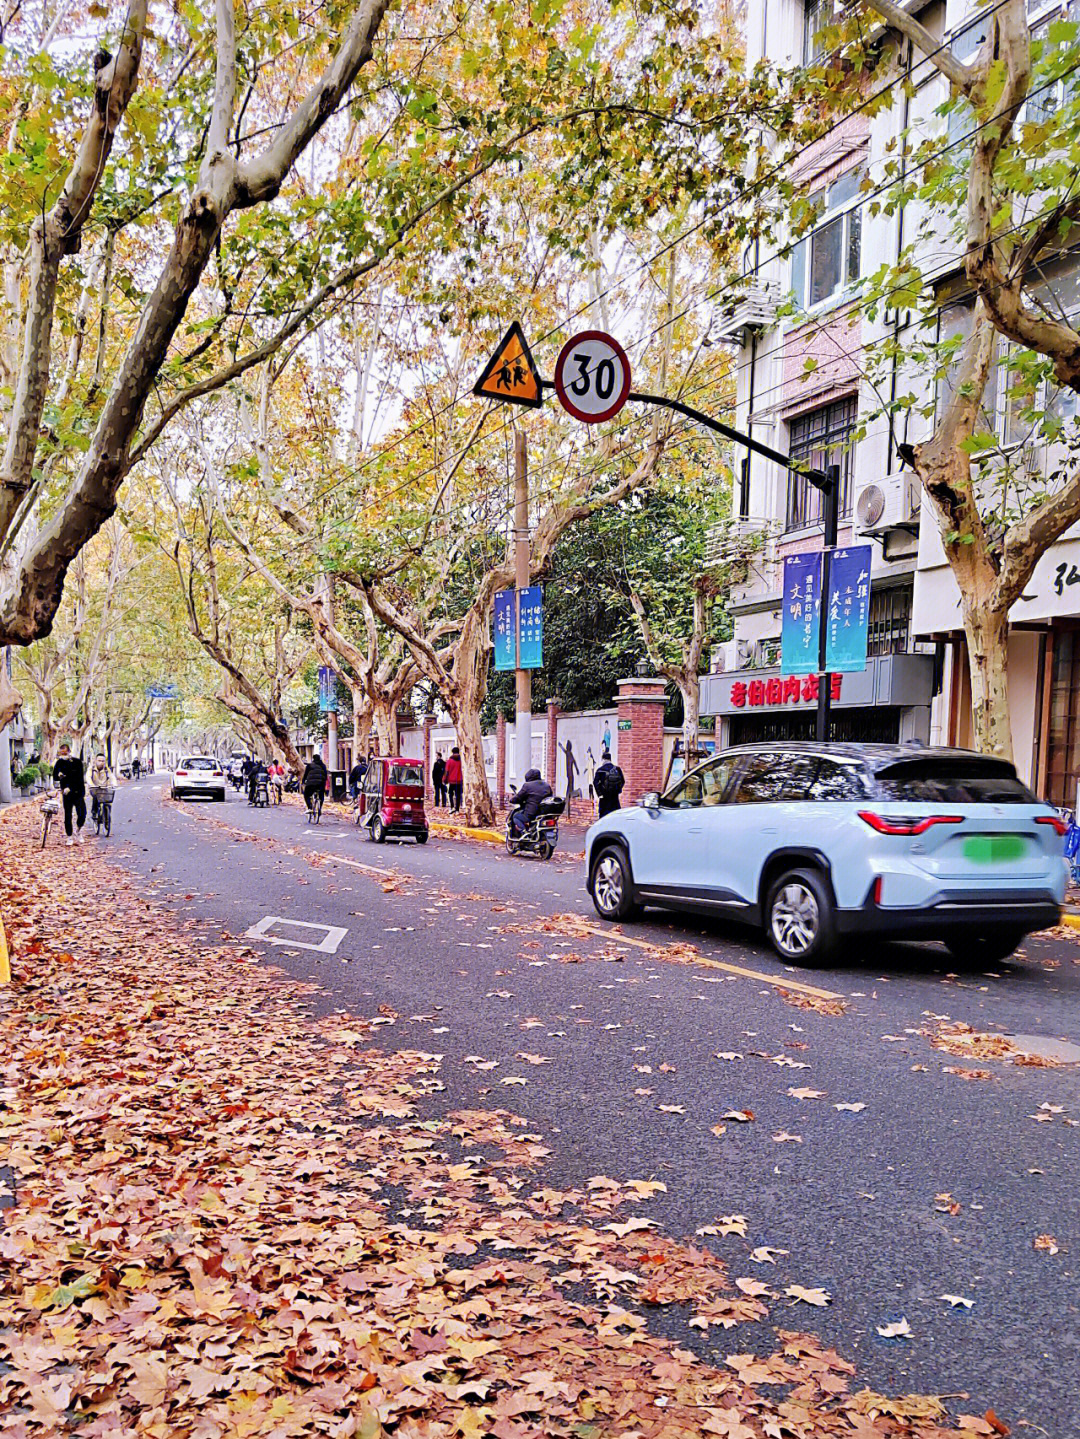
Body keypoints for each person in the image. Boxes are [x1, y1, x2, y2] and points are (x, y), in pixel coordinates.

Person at [53, 742, 87, 847]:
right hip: (67, 794)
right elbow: (55, 776)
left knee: (82, 813)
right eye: (60, 754)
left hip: (78, 792)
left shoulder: (77, 762)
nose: (62, 756)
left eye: (64, 753)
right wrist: (59, 776)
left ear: (69, 752)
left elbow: (79, 778)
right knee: (68, 815)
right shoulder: (59, 763)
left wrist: (71, 788)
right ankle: (69, 836)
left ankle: (79, 830)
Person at [510, 767, 553, 835]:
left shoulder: (527, 785)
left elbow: (519, 796)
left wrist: (512, 800)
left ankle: (524, 832)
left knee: (516, 816)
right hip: (544, 813)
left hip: (532, 813)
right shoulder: (546, 785)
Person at [592, 749, 624, 819]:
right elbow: (623, 781)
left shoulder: (600, 770)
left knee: (603, 815)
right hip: (615, 796)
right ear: (610, 759)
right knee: (615, 814)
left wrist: (599, 794)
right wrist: (618, 790)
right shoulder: (617, 769)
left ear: (603, 759)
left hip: (604, 796)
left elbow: (595, 782)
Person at [89, 754, 115, 826]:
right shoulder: (91, 769)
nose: (101, 762)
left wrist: (114, 784)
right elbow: (88, 777)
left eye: (103, 761)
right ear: (96, 761)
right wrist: (91, 785)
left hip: (104, 788)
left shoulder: (106, 769)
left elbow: (112, 777)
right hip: (94, 788)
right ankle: (94, 812)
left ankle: (106, 816)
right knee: (96, 798)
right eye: (99, 760)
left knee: (107, 802)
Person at [444, 746, 463, 813]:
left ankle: (452, 807)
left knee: (450, 794)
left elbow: (447, 771)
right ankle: (457, 809)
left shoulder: (449, 761)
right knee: (458, 795)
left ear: (452, 752)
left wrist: (444, 779)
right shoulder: (461, 761)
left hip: (452, 781)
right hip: (459, 781)